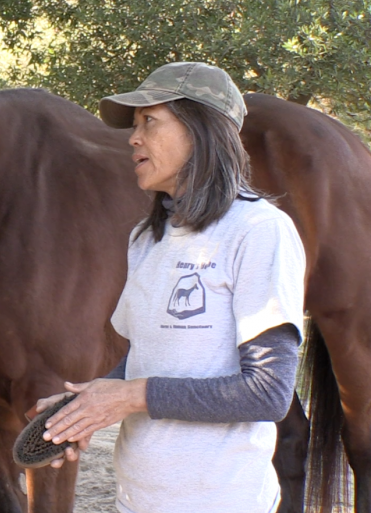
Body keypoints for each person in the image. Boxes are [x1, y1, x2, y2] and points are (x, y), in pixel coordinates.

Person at [27, 62, 306, 513]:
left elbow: (268, 391)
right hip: (138, 499)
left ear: (201, 131)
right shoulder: (145, 239)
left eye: (149, 121)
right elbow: (147, 359)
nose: (133, 138)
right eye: (134, 126)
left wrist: (130, 397)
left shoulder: (259, 231)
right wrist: (84, 405)